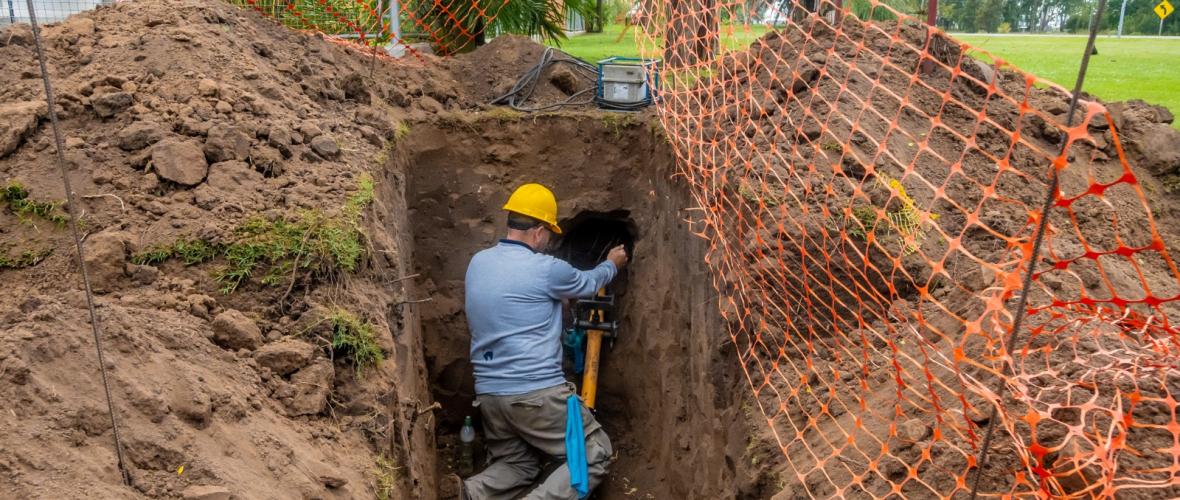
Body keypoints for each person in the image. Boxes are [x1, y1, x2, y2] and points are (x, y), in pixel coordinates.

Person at [457, 183, 627, 499]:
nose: (548, 240)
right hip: (535, 393)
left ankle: (473, 493)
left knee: (518, 465)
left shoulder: (478, 263)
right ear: (537, 232)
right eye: (548, 232)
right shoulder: (547, 269)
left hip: (490, 396)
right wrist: (612, 264)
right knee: (594, 452)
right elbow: (589, 283)